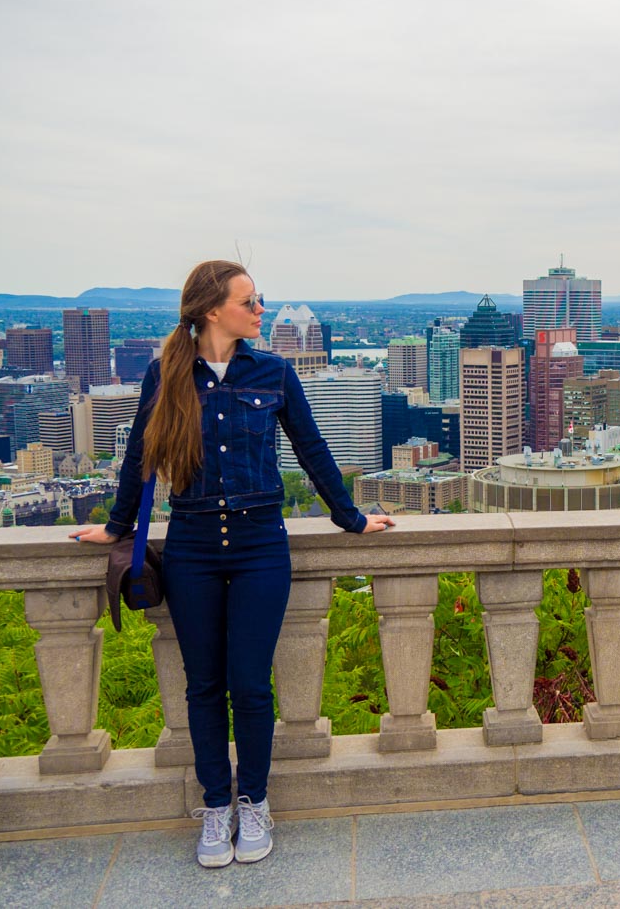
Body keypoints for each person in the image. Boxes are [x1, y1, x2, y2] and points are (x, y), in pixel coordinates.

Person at [71, 260, 392, 867]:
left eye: (260, 300)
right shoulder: (164, 375)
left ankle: (255, 802)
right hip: (191, 545)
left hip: (260, 546)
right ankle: (216, 807)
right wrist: (115, 528)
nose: (261, 310)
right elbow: (138, 456)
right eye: (251, 301)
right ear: (214, 310)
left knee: (249, 685)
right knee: (204, 685)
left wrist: (351, 518)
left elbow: (312, 446)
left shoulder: (272, 371)